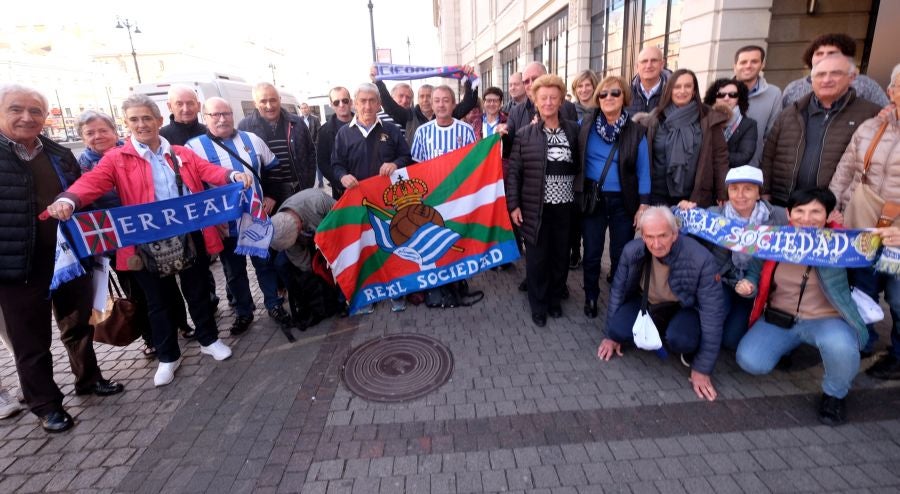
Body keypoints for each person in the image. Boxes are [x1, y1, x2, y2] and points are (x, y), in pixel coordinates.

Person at [47, 94, 254, 387]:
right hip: (143, 240)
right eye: (134, 119)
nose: (141, 124)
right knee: (159, 302)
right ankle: (168, 356)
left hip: (189, 234)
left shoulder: (182, 153)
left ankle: (209, 339)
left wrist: (232, 174)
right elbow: (91, 184)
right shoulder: (116, 159)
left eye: (147, 118)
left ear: (158, 120)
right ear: (127, 124)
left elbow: (210, 172)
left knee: (198, 291)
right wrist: (69, 199)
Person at [0, 84, 124, 433]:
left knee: (78, 325)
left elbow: (83, 196)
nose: (27, 117)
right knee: (31, 340)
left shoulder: (57, 152)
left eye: (36, 111)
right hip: (16, 266)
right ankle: (46, 404)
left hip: (69, 256)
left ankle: (88, 378)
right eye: (16, 109)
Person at [735, 188, 866, 426]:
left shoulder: (844, 243)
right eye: (800, 211)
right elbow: (754, 272)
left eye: (816, 211)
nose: (807, 218)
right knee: (750, 360)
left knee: (842, 348)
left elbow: (875, 253)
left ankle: (835, 395)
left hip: (826, 319)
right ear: (788, 214)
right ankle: (785, 348)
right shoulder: (774, 239)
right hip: (780, 316)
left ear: (828, 215)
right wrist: (748, 285)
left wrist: (890, 238)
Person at [597, 206, 724, 401]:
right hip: (645, 302)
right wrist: (610, 336)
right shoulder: (632, 251)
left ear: (675, 234)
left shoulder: (701, 260)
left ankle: (674, 338)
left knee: (682, 339)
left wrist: (702, 368)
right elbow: (618, 292)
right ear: (642, 235)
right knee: (617, 330)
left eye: (663, 236)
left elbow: (712, 314)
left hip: (682, 307)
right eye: (649, 236)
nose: (656, 244)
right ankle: (655, 330)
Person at [186, 97, 286, 336]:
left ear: (233, 115)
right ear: (205, 117)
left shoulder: (252, 139)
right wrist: (211, 221)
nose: (222, 119)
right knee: (234, 271)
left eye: (226, 113)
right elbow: (193, 188)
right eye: (215, 115)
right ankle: (244, 312)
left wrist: (271, 194)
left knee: (264, 264)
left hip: (256, 217)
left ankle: (273, 304)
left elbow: (274, 168)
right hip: (224, 223)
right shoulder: (193, 147)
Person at [830, 64, 900, 378]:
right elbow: (845, 172)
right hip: (862, 223)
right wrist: (832, 208)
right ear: (892, 92)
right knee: (861, 287)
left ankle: (898, 355)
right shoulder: (871, 128)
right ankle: (864, 338)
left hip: (897, 233)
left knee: (898, 298)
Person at [678, 166, 788, 349]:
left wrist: (833, 219)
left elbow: (810, 225)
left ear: (759, 194)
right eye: (734, 188)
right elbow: (677, 224)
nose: (740, 195)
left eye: (748, 189)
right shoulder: (715, 214)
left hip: (756, 285)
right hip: (723, 280)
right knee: (711, 322)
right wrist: (683, 209)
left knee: (731, 340)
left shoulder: (777, 216)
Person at [507, 74, 582, 327]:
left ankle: (553, 300)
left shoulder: (574, 130)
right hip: (534, 207)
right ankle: (538, 305)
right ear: (536, 102)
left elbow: (580, 166)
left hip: (566, 208)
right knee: (537, 258)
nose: (548, 102)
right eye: (543, 98)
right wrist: (514, 205)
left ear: (561, 100)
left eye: (553, 97)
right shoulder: (525, 134)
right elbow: (514, 172)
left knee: (560, 256)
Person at [332, 83, 413, 313]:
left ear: (379, 104)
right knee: (364, 249)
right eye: (362, 101)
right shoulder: (344, 133)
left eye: (372, 101)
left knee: (391, 246)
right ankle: (367, 295)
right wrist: (342, 176)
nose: (367, 106)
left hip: (388, 201)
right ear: (355, 104)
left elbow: (406, 156)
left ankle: (396, 292)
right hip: (357, 203)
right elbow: (336, 164)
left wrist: (395, 163)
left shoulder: (391, 130)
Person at [762, 54, 881, 207]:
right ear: (812, 80)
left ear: (852, 77)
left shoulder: (871, 114)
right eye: (820, 74)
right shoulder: (790, 112)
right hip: (785, 203)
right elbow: (768, 155)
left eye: (836, 73)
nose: (826, 80)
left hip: (834, 208)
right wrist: (765, 191)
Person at [578, 76, 650, 318]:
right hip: (593, 200)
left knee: (620, 254)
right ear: (598, 99)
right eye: (604, 94)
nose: (609, 98)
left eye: (615, 93)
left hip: (623, 201)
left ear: (624, 98)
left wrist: (643, 205)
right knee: (592, 252)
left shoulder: (637, 131)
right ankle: (590, 296)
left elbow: (644, 170)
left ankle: (618, 298)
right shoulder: (585, 124)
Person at [158, 84, 220, 315]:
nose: (185, 108)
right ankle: (187, 316)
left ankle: (210, 304)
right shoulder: (162, 136)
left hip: (210, 207)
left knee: (204, 265)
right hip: (176, 216)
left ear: (198, 105)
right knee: (182, 268)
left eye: (190, 103)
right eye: (179, 104)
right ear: (169, 107)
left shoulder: (209, 130)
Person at [634, 68, 730, 207]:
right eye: (677, 86)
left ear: (694, 90)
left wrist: (723, 192)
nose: (682, 91)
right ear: (669, 90)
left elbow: (720, 158)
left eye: (688, 86)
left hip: (695, 196)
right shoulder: (655, 119)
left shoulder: (708, 119)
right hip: (657, 196)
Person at [270, 189, 341, 330]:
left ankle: (342, 296)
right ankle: (303, 301)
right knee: (281, 263)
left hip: (334, 234)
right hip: (309, 243)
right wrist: (318, 273)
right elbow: (303, 261)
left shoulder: (318, 201)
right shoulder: (281, 226)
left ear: (297, 226)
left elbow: (345, 218)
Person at [238, 82, 316, 206]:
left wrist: (308, 183)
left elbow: (310, 152)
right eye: (263, 101)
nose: (269, 106)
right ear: (255, 103)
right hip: (267, 196)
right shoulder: (245, 127)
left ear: (279, 100)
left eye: (273, 100)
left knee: (303, 224)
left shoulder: (297, 122)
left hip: (298, 188)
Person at [373, 65, 478, 145]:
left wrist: (468, 79)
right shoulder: (409, 116)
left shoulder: (447, 113)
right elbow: (389, 106)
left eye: (428, 96)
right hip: (418, 168)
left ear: (433, 100)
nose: (425, 100)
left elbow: (469, 102)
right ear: (417, 99)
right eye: (422, 96)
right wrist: (378, 82)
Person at [782, 33, 890, 109]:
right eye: (819, 53)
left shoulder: (865, 85)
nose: (824, 57)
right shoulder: (793, 88)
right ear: (811, 58)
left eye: (832, 53)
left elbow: (887, 116)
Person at [503, 62, 579, 158]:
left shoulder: (568, 108)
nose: (531, 84)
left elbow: (575, 146)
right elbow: (509, 151)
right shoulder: (515, 112)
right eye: (526, 81)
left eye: (535, 79)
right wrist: (502, 137)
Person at [733, 45, 781, 167]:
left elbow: (771, 136)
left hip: (753, 168)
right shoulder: (721, 92)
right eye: (743, 62)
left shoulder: (774, 94)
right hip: (721, 166)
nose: (748, 66)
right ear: (735, 66)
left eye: (754, 61)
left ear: (762, 64)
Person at [410, 85, 477, 162]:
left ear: (453, 104)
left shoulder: (467, 130)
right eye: (437, 101)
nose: (441, 105)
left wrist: (471, 80)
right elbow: (416, 164)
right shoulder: (421, 132)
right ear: (432, 105)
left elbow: (473, 162)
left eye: (446, 100)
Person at [703, 78, 758, 168]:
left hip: (730, 177)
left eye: (733, 95)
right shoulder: (704, 119)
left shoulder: (749, 125)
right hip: (705, 175)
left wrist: (711, 155)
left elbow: (743, 157)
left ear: (739, 98)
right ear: (714, 98)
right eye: (721, 95)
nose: (726, 98)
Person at [317, 86, 354, 200]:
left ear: (351, 102)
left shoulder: (364, 124)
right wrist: (340, 181)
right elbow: (323, 163)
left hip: (366, 184)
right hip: (341, 190)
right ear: (332, 105)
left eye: (345, 100)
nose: (341, 105)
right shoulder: (324, 131)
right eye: (337, 102)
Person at [625, 46, 671, 115]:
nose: (649, 66)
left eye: (654, 60)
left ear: (662, 64)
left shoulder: (672, 94)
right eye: (644, 61)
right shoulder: (625, 95)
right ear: (637, 67)